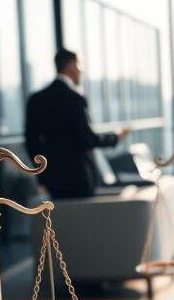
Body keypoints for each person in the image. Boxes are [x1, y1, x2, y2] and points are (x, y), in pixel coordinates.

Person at [25, 49, 128, 199]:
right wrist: (115, 138)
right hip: (80, 180)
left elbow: (31, 142)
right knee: (83, 220)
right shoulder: (74, 99)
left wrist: (42, 176)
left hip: (53, 181)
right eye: (79, 66)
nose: (81, 71)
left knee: (61, 220)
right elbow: (87, 138)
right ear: (71, 66)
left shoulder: (36, 99)